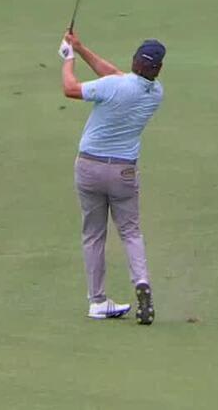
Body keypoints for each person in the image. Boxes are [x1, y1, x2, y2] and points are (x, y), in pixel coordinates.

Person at [59, 32, 166, 325]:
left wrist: (68, 57)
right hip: (123, 172)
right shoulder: (155, 93)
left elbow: (70, 89)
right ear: (157, 69)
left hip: (89, 168)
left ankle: (97, 301)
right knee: (130, 232)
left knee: (93, 234)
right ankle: (141, 281)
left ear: (135, 61)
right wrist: (81, 48)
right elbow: (116, 76)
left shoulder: (113, 86)